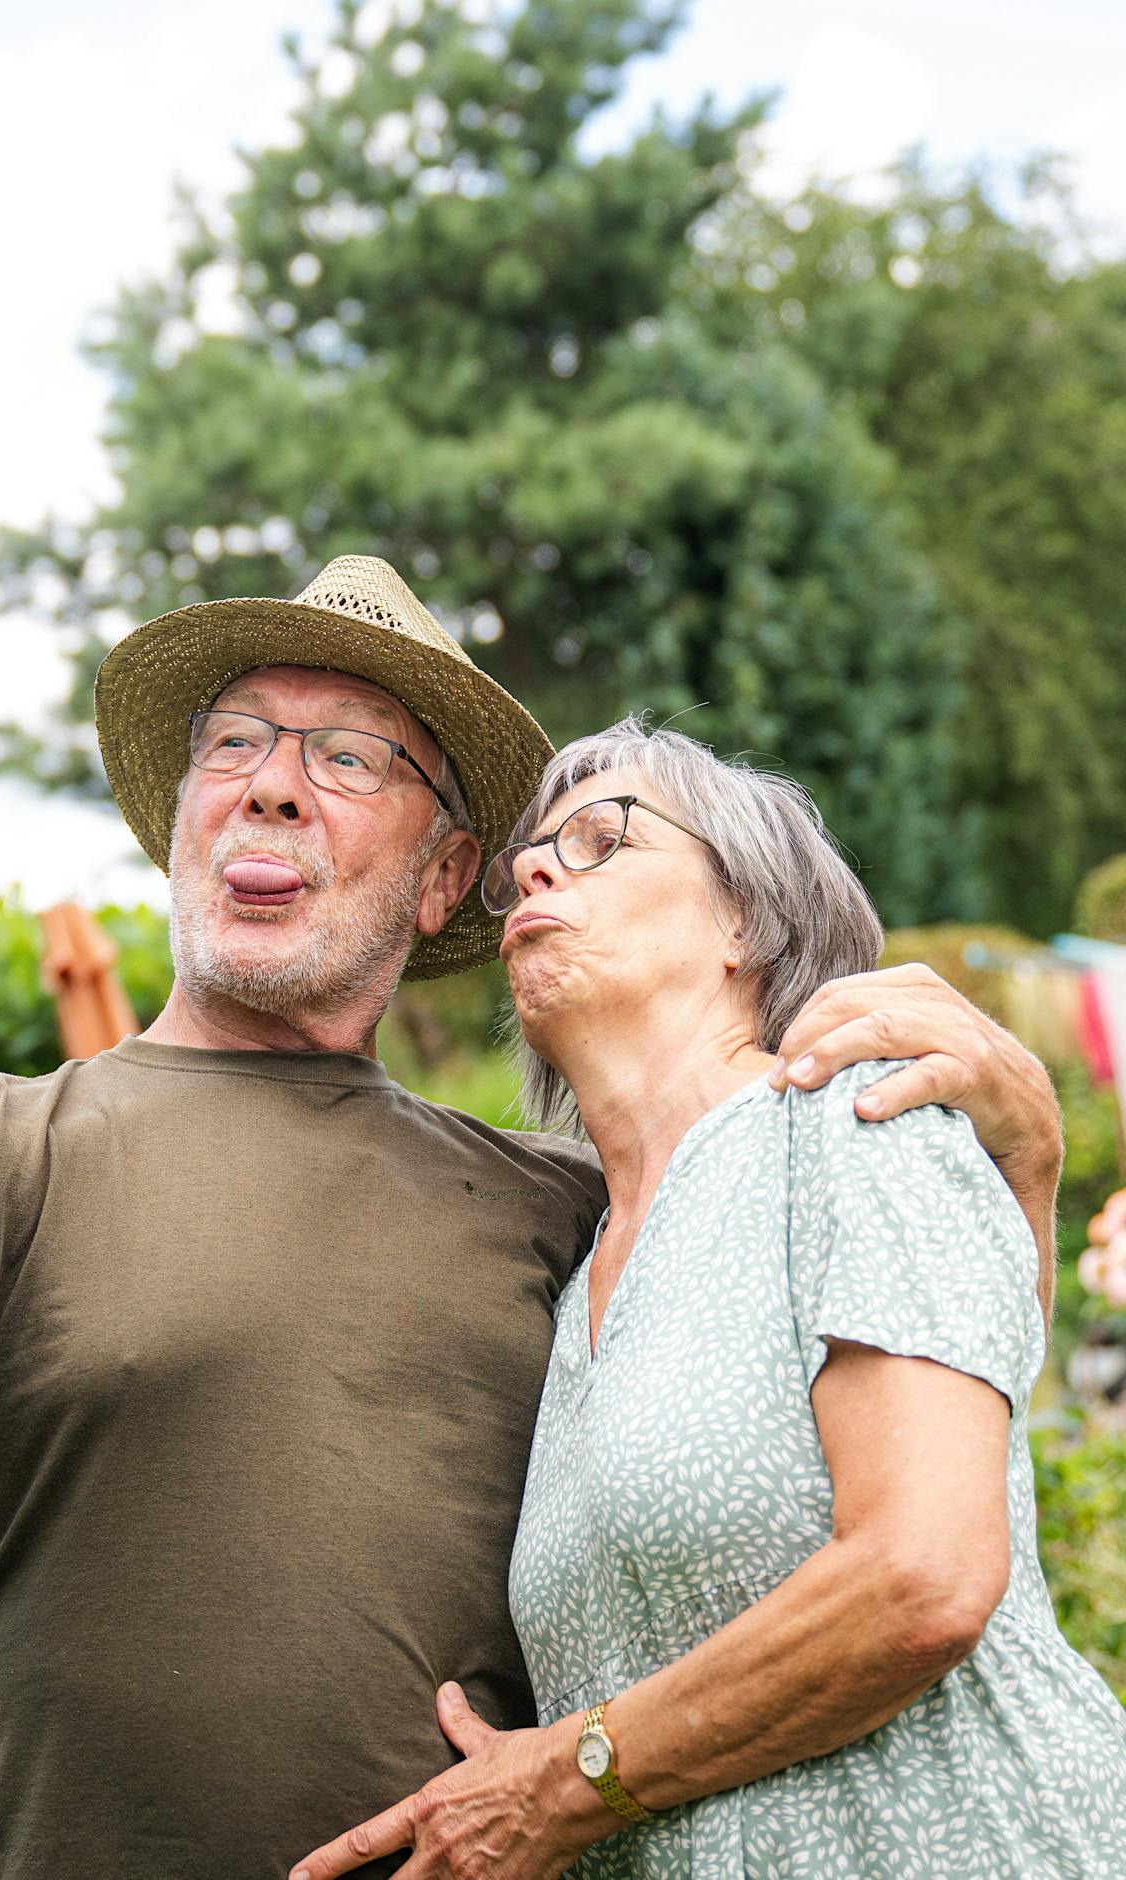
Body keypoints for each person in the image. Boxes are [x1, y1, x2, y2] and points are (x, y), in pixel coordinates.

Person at [0, 556, 1064, 1880]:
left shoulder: (585, 1213)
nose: (272, 781)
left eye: (349, 756)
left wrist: (1024, 1163)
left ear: (443, 878)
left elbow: (904, 1455)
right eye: (236, 744)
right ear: (182, 821)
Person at [291, 722, 1125, 1880]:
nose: (532, 867)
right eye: (528, 853)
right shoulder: (577, 1262)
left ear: (744, 915)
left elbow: (921, 1571)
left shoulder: (855, 1117)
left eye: (598, 839)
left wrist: (558, 1782)